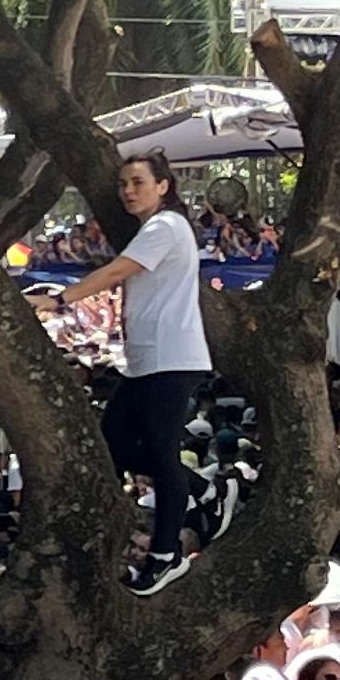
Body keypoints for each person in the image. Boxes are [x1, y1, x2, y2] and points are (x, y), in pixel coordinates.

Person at [61, 152, 216, 568]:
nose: (128, 191)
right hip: (145, 360)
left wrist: (60, 298)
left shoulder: (166, 225)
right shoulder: (154, 228)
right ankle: (205, 490)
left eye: (138, 182)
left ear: (163, 186)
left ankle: (164, 554)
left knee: (163, 456)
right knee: (113, 443)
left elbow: (116, 272)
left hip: (171, 356)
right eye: (123, 184)